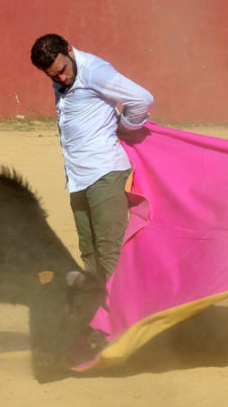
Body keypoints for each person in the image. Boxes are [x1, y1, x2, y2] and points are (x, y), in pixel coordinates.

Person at [30, 33, 153, 281]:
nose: (61, 78)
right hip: (78, 177)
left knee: (110, 254)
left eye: (63, 70)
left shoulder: (95, 71)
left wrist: (126, 126)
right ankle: (99, 314)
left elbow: (142, 98)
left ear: (70, 51)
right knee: (89, 253)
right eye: (52, 75)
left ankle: (123, 316)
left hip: (104, 173)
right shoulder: (65, 74)